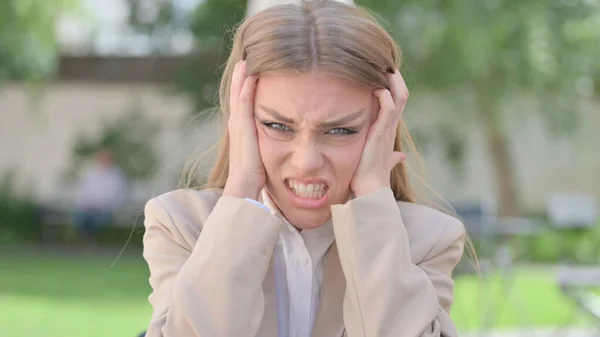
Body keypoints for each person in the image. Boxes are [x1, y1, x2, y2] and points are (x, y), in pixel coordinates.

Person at [142, 1, 466, 336]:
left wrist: (372, 193)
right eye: (278, 126)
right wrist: (242, 186)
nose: (306, 161)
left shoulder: (426, 241)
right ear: (241, 121)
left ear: (382, 125)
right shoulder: (181, 227)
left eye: (341, 130)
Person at [74, 148, 126, 243]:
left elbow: (115, 195)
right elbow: (85, 191)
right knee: (81, 215)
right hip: (89, 205)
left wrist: (99, 204)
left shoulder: (115, 176)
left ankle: (88, 241)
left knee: (96, 218)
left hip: (105, 207)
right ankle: (86, 240)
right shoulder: (91, 173)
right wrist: (88, 203)